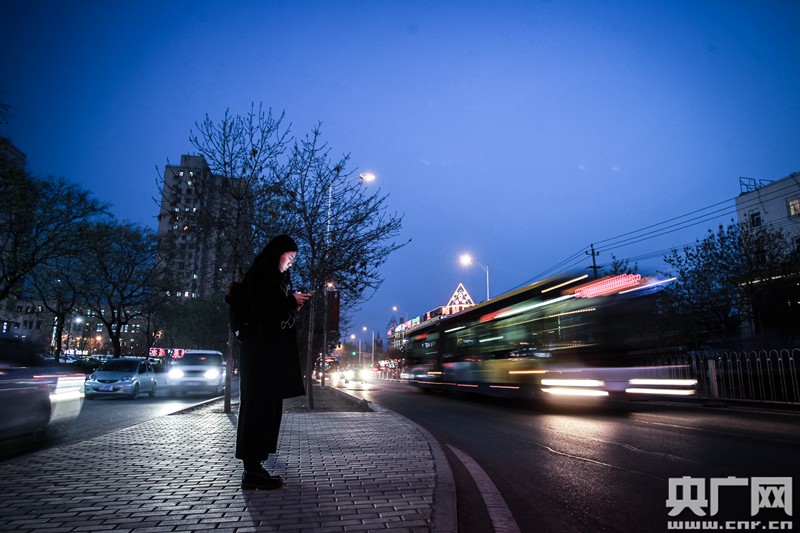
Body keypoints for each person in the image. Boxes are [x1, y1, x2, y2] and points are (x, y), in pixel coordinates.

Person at [235, 234, 312, 490]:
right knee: (258, 410)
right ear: (277, 254)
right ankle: (252, 471)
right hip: (260, 358)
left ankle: (256, 468)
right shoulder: (261, 276)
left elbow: (270, 309)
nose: (291, 262)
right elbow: (262, 310)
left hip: (266, 357)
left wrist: (290, 304)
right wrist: (289, 301)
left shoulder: (270, 277)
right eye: (289, 257)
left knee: (266, 410)